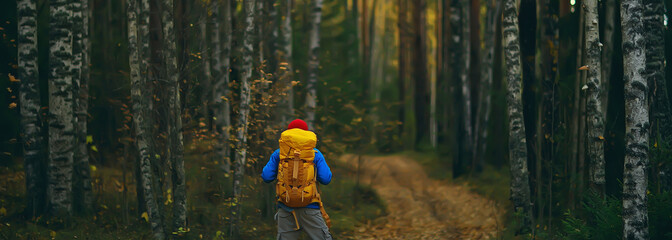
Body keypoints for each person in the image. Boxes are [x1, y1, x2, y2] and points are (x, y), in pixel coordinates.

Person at [262, 119, 333, 240]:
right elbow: (326, 179)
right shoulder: (315, 153)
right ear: (306, 134)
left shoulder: (279, 153)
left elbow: (266, 176)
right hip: (310, 206)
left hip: (285, 207)